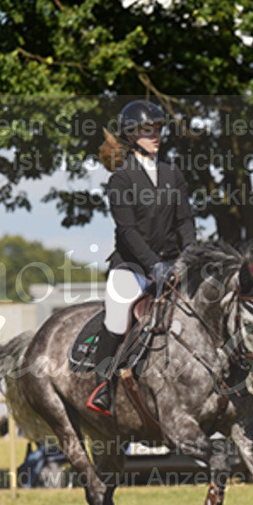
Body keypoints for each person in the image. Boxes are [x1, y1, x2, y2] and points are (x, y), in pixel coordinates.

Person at [86, 100, 196, 417]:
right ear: (132, 135)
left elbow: (185, 220)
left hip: (173, 263)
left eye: (158, 129)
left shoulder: (172, 174)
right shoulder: (121, 179)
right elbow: (128, 231)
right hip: (131, 266)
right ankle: (102, 385)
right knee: (117, 317)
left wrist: (189, 253)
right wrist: (153, 265)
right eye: (148, 131)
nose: (155, 135)